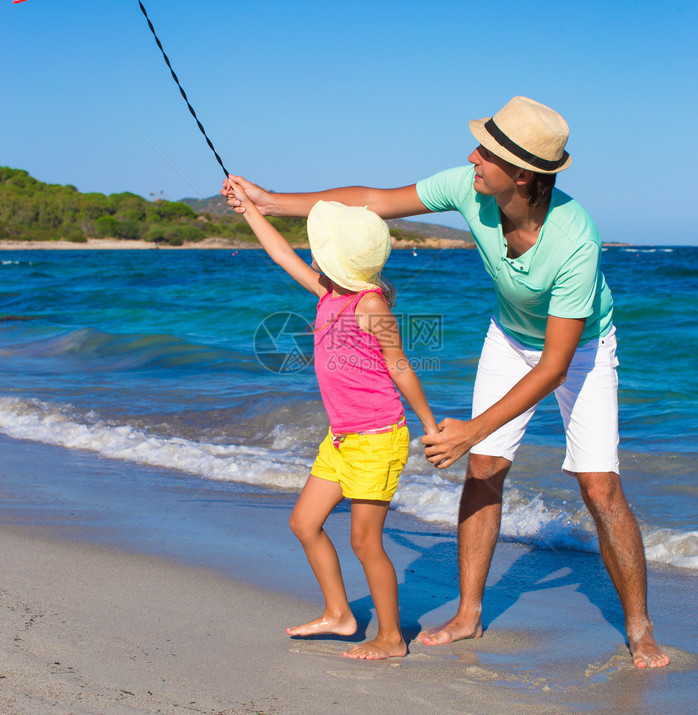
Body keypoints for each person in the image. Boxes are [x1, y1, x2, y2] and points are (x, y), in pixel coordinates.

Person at [221, 97, 669, 670]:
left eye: (487, 153)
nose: (472, 157)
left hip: (579, 348)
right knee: (484, 467)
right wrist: (270, 201)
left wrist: (468, 430)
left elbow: (554, 366)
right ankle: (469, 612)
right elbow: (375, 202)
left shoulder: (575, 240)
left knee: (599, 485)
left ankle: (639, 624)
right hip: (508, 335)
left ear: (525, 175)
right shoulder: (468, 187)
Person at [226, 178, 439, 660]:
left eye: (320, 250)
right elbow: (281, 255)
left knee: (365, 542)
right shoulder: (328, 293)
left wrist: (428, 425)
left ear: (333, 258)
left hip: (378, 437)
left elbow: (401, 365)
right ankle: (342, 615)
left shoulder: (370, 304)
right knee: (304, 522)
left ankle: (391, 638)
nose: (313, 256)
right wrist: (249, 211)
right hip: (342, 439)